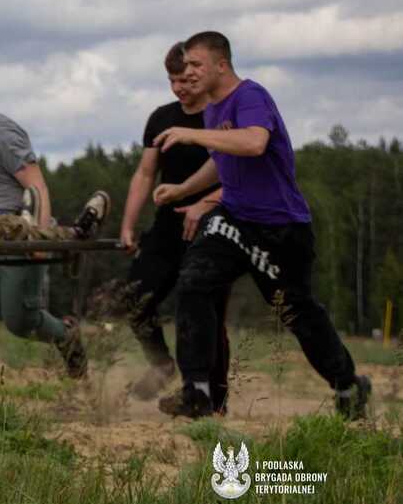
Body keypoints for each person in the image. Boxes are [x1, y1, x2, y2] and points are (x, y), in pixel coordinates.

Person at [153, 31, 371, 420]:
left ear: (222, 65)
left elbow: (253, 143)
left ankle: (348, 384)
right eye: (186, 67)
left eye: (197, 65)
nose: (190, 74)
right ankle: (198, 391)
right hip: (235, 217)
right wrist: (183, 190)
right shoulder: (213, 108)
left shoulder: (250, 96)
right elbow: (222, 161)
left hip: (280, 227)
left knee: (297, 312)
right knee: (194, 283)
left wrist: (190, 133)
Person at [0, 73, 106, 401]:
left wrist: (37, 241)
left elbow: (37, 186)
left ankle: (66, 336)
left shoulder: (2, 133)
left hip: (18, 231)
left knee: (20, 320)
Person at [119, 42, 230, 412]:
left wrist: (205, 203)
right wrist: (128, 225)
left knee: (204, 309)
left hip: (214, 226)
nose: (180, 87)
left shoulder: (221, 117)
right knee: (135, 297)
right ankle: (161, 363)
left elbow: (239, 174)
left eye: (185, 79)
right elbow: (145, 173)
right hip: (167, 226)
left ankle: (211, 396)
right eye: (172, 80)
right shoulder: (162, 118)